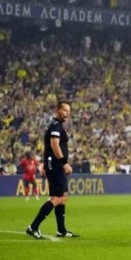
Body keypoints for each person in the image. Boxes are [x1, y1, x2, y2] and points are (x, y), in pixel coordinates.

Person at [26, 101, 79, 239]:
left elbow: (48, 147)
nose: (67, 113)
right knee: (56, 198)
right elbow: (54, 145)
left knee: (63, 196)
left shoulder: (57, 125)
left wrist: (44, 164)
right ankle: (33, 227)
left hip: (54, 164)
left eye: (69, 111)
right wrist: (64, 163)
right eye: (65, 110)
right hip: (56, 165)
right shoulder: (55, 125)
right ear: (57, 110)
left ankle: (61, 230)